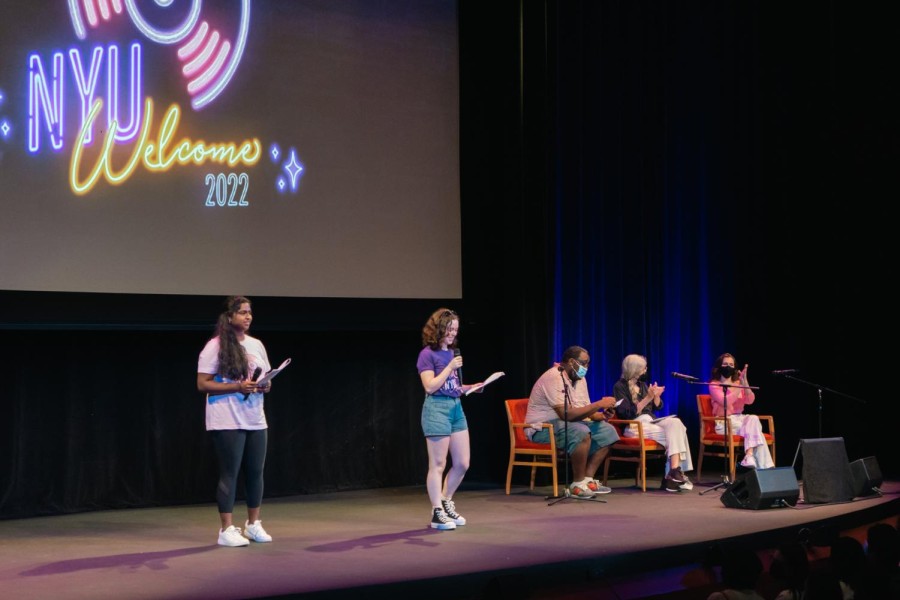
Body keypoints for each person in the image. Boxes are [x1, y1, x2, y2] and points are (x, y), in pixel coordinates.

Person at [197, 296, 273, 547]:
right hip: (227, 418)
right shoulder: (215, 346)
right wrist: (237, 386)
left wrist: (265, 385)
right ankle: (226, 529)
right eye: (242, 313)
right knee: (230, 473)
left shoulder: (256, 344)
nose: (248, 316)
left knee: (255, 472)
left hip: (255, 417)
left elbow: (264, 376)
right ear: (229, 317)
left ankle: (253, 524)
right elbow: (203, 383)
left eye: (250, 312)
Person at [416, 308, 484, 531]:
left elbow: (452, 388)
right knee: (438, 464)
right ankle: (437, 512)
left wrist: (471, 388)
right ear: (438, 329)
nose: (453, 333)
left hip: (456, 408)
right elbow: (430, 386)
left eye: (455, 329)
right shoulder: (428, 354)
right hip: (436, 409)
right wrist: (449, 367)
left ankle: (445, 501)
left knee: (463, 463)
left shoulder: (453, 353)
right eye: (449, 329)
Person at [524, 345, 619, 497]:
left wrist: (601, 415)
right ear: (571, 362)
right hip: (542, 428)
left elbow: (583, 410)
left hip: (568, 424)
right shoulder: (554, 377)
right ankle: (577, 484)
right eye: (584, 363)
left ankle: (587, 480)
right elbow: (566, 415)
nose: (586, 367)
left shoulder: (580, 379)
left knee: (608, 431)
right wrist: (599, 404)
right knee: (580, 431)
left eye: (588, 363)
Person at [613, 354, 694, 492]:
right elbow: (626, 413)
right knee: (677, 434)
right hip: (634, 426)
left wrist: (656, 397)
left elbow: (657, 407)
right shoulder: (620, 386)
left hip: (650, 422)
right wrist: (648, 397)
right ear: (635, 369)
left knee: (676, 423)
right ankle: (673, 476)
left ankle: (673, 472)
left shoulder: (642, 385)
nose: (645, 371)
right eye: (643, 368)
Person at [709, 353, 774, 469]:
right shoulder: (714, 385)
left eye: (731, 364)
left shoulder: (739, 384)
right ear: (719, 367)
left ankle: (749, 455)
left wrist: (745, 382)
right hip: (724, 422)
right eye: (725, 364)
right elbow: (725, 402)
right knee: (758, 434)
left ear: (735, 368)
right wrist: (739, 388)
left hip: (740, 419)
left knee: (753, 418)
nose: (728, 366)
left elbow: (750, 400)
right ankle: (768, 469)